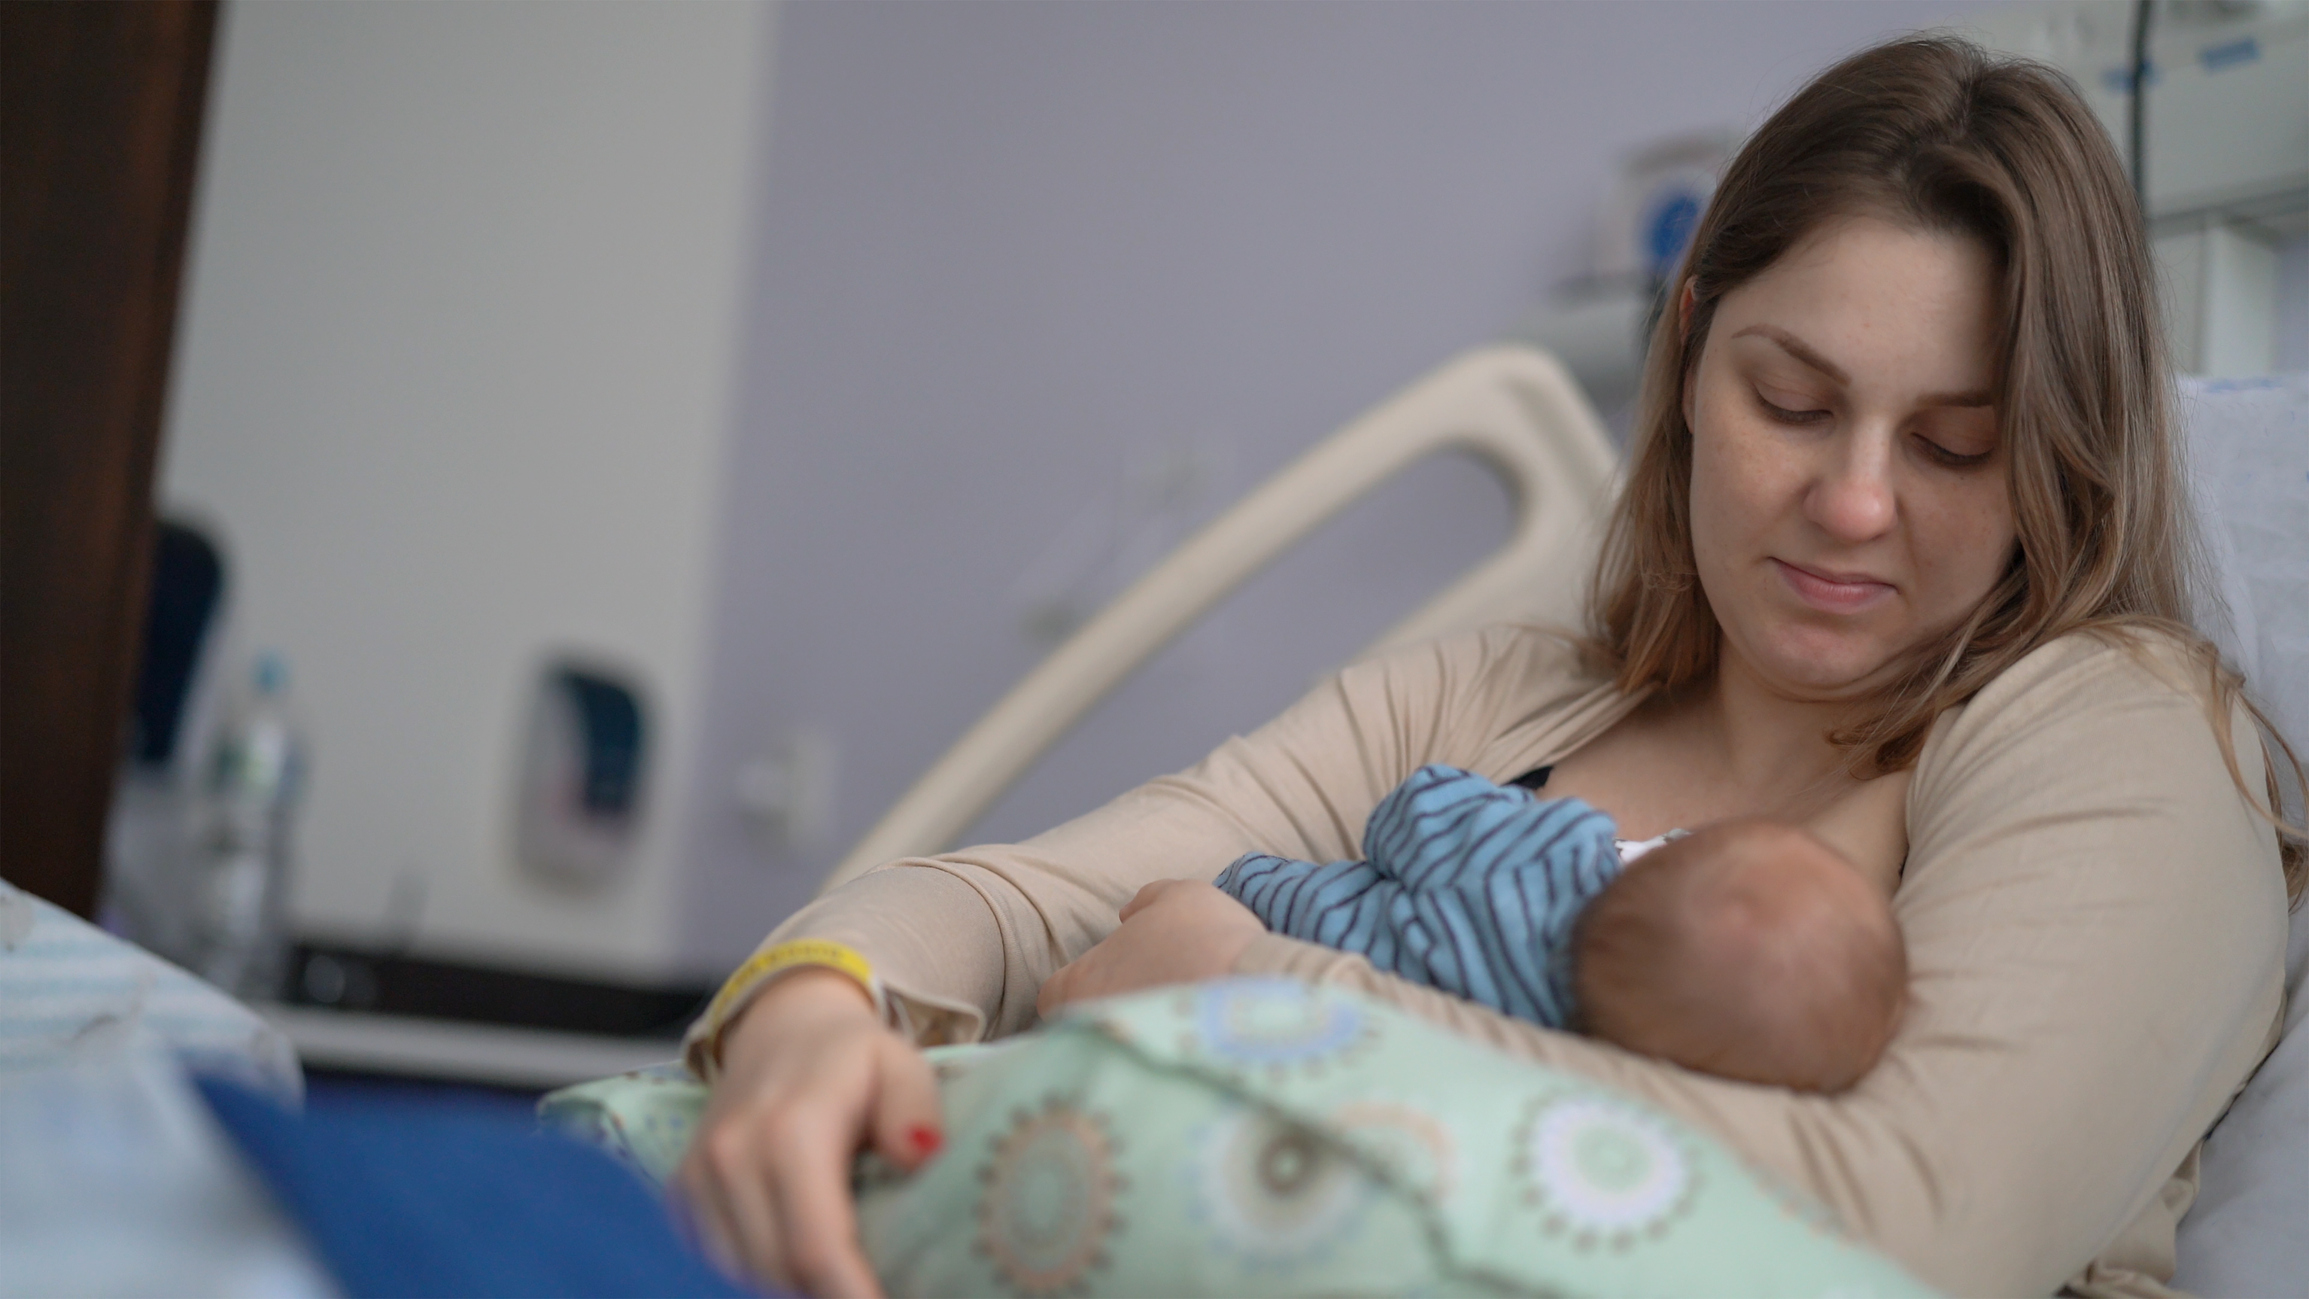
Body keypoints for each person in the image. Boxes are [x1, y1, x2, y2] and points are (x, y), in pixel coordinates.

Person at [672, 35, 2305, 1299]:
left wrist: (1246, 987)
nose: (1854, 500)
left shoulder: (2119, 738)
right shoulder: (1491, 698)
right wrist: (812, 1004)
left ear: (2056, 458)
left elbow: (1910, 1224)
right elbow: (1027, 898)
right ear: (1686, 353)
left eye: (1952, 444)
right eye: (1792, 403)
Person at [1214, 763, 1906, 1093]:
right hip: (1294, 1036)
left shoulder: (1544, 853)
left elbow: (1411, 811)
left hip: (1273, 908)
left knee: (1232, 886)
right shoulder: (1548, 1054)